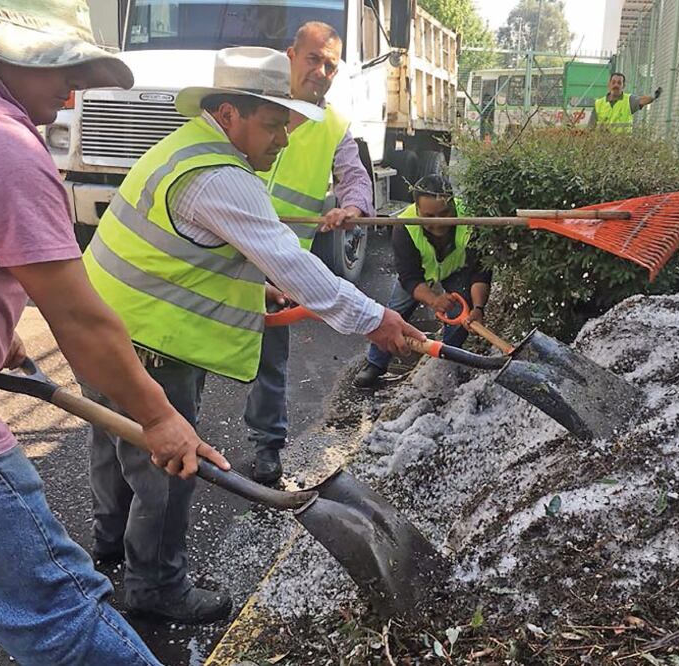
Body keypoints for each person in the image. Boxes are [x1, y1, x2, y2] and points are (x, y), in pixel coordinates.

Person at [0, 1, 232, 663]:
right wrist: (159, 416)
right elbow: (79, 319)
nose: (74, 87)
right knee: (63, 621)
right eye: (61, 65)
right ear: (2, 51)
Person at [83, 46, 423, 624]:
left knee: (116, 447)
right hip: (152, 345)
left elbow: (182, 247)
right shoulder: (222, 178)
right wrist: (377, 319)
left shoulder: (186, 147)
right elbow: (294, 264)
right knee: (167, 467)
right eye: (272, 126)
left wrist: (256, 290)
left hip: (101, 329)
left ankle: (109, 547)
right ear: (227, 113)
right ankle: (155, 585)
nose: (283, 142)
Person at [245, 21, 374, 485]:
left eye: (331, 65)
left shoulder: (333, 126)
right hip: (222, 254)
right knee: (194, 350)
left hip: (279, 266)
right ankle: (178, 439)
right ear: (290, 56)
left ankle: (267, 449)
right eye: (313, 59)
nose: (321, 71)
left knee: (270, 361)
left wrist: (353, 205)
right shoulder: (254, 101)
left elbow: (354, 176)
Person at [354, 175, 493, 388]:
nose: (437, 223)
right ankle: (375, 364)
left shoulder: (472, 221)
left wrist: (478, 308)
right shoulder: (404, 226)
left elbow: (480, 273)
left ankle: (446, 360)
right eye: (429, 216)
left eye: (444, 214)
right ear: (417, 209)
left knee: (460, 310)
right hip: (420, 276)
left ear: (454, 205)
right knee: (394, 314)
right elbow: (410, 278)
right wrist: (434, 300)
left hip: (456, 269)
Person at [588, 72, 662, 131]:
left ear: (623, 86)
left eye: (619, 83)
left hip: (623, 144)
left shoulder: (629, 100)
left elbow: (642, 100)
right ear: (609, 85)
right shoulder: (598, 103)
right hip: (602, 144)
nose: (616, 85)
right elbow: (591, 126)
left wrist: (653, 97)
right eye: (613, 82)